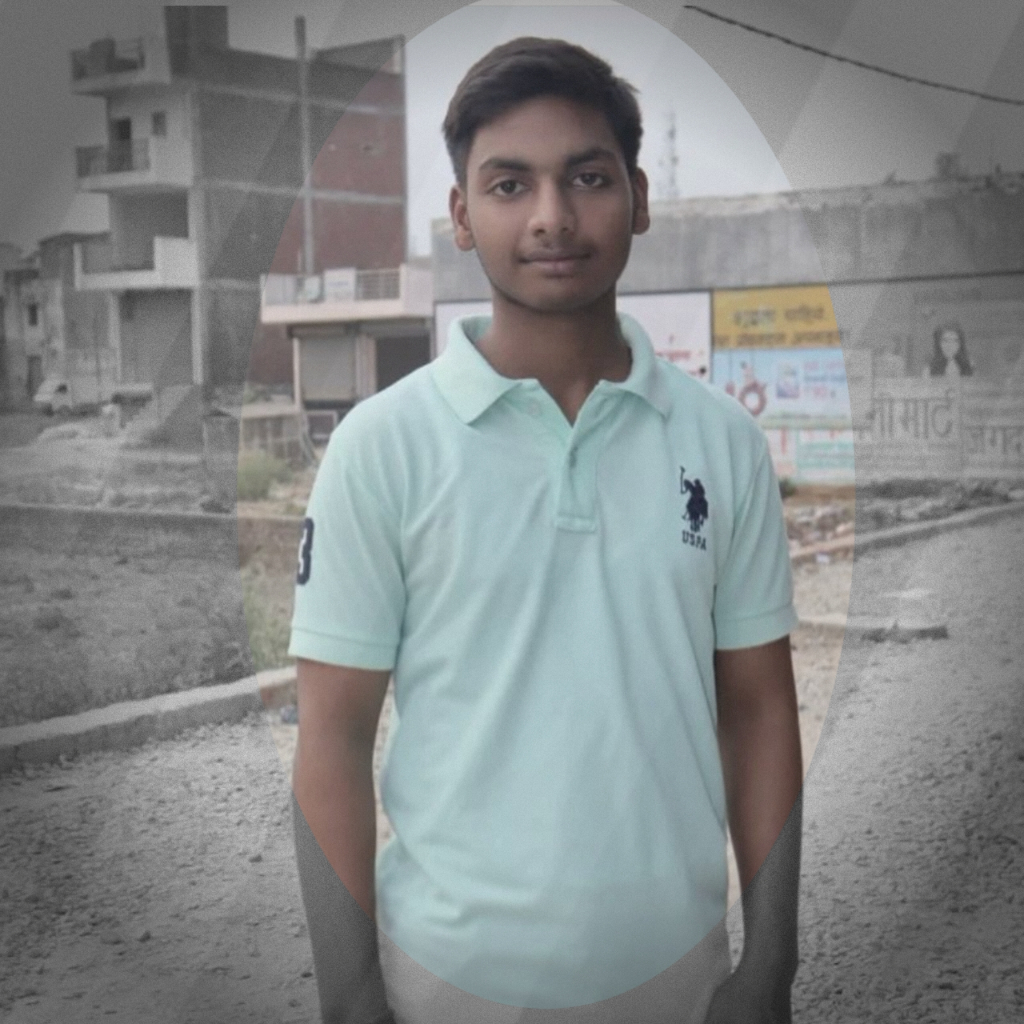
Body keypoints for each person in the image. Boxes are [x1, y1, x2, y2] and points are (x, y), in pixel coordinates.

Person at [289, 36, 802, 1024]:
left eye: (588, 178)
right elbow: (334, 736)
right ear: (460, 216)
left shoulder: (723, 444)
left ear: (639, 199)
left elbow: (758, 711)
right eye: (509, 184)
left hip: (678, 984)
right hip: (441, 984)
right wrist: (350, 999)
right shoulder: (380, 447)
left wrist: (771, 963)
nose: (552, 217)